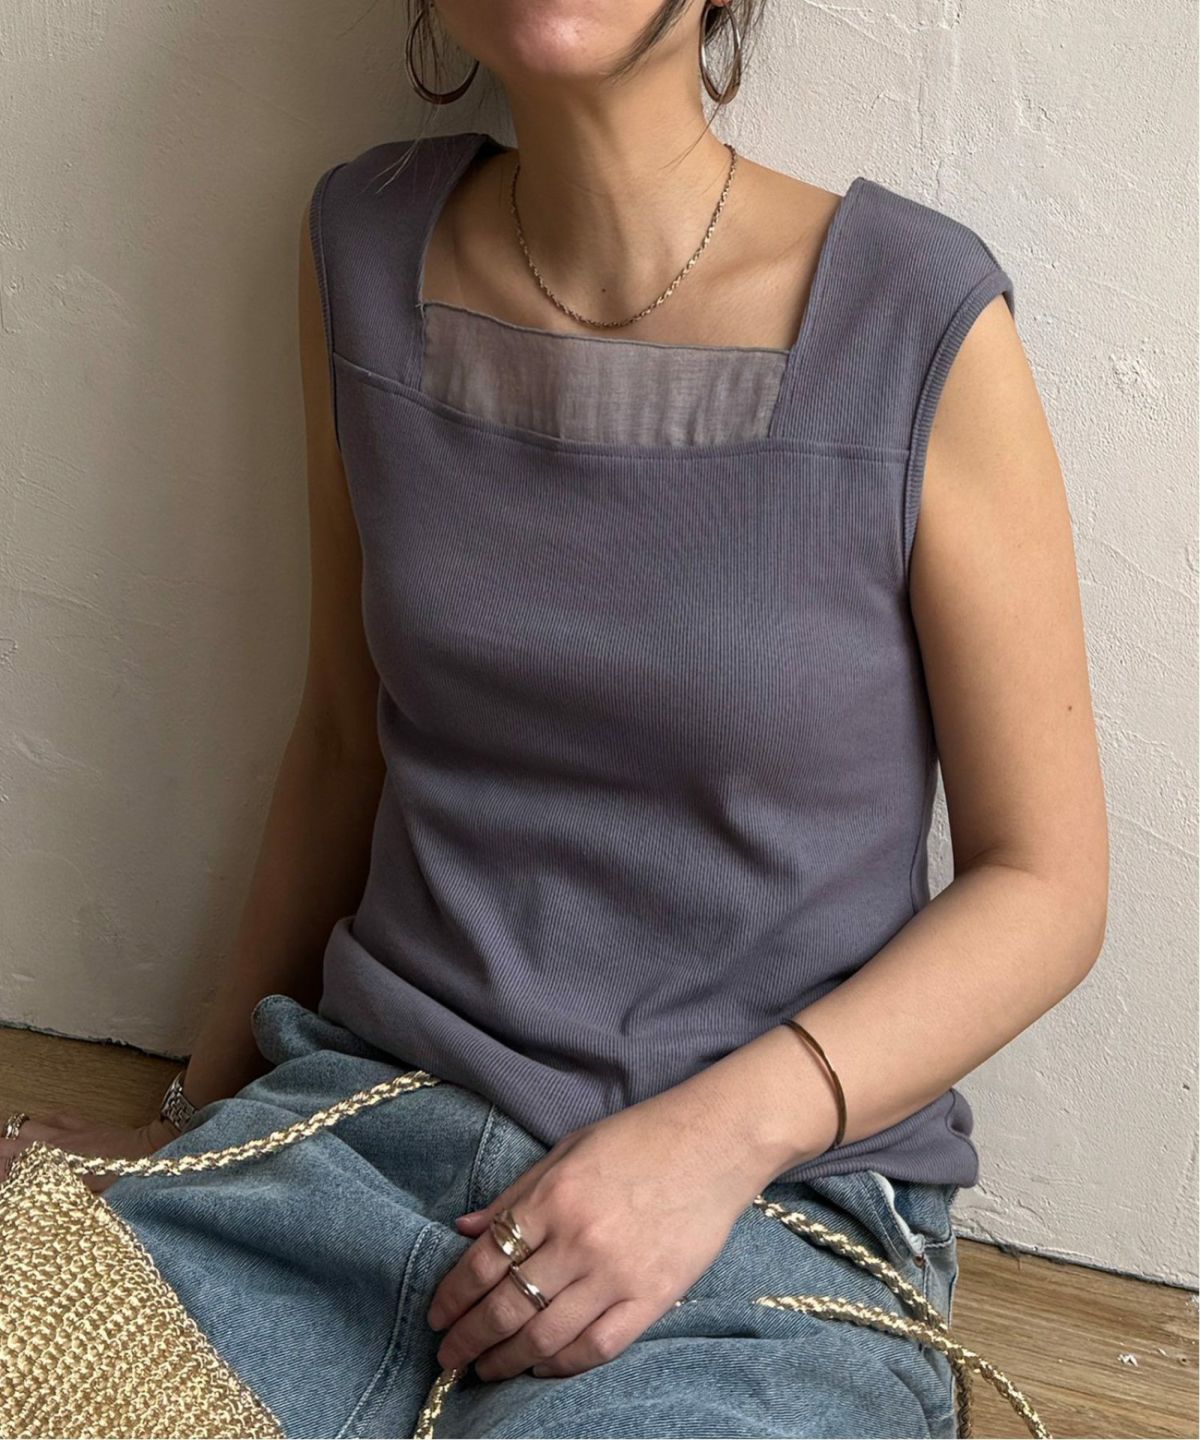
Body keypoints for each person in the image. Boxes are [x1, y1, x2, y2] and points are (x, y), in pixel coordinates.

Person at [0, 2, 1109, 1436]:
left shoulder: (913, 314)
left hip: (756, 1226)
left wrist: (712, 1143)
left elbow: (1047, 884)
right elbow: (343, 734)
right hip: (355, 1146)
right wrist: (190, 1129)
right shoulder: (363, 243)